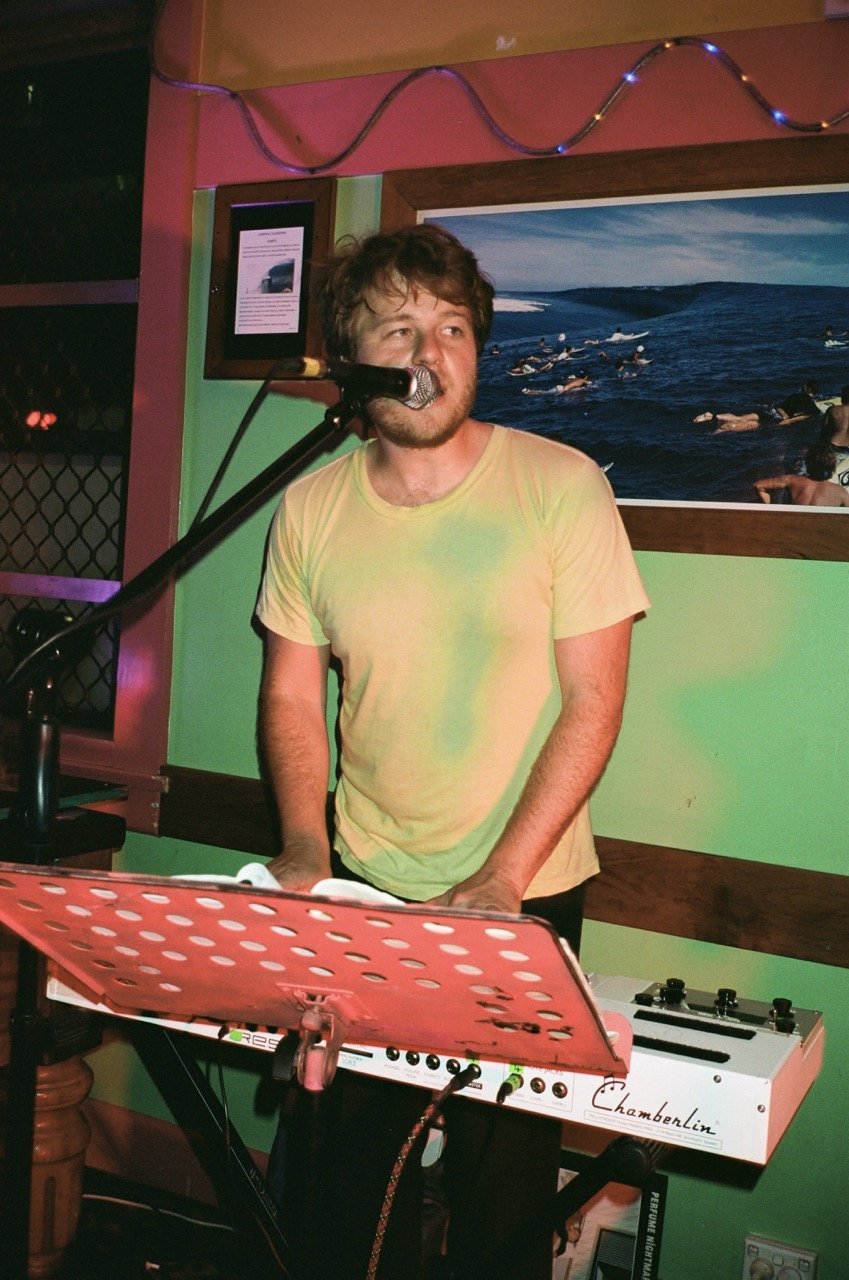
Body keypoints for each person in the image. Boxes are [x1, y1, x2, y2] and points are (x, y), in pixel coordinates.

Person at [255, 223, 649, 1280]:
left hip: (521, 899)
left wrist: (502, 879)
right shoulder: (307, 506)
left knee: (500, 1216)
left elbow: (594, 699)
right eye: (400, 326)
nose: (431, 350)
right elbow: (292, 696)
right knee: (338, 1203)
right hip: (364, 892)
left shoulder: (561, 483)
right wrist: (305, 847)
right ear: (354, 358)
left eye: (456, 327)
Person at [754, 443, 849, 506]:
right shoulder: (839, 491)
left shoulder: (792, 480)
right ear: (832, 466)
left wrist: (771, 507)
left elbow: (759, 486)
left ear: (807, 462)